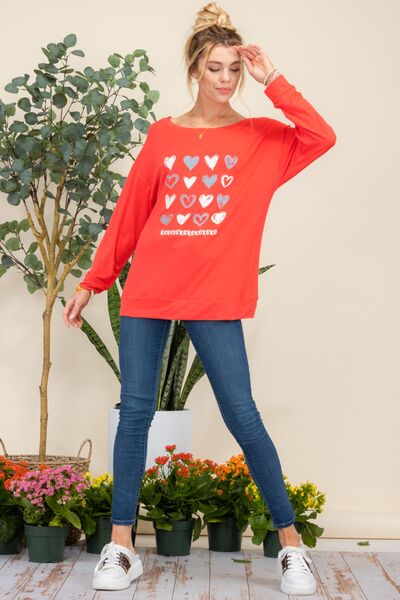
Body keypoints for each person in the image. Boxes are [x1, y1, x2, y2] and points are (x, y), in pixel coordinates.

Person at [63, 2, 336, 595]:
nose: (226, 79)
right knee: (135, 414)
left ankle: (291, 547)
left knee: (242, 415)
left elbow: (321, 135)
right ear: (194, 69)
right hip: (150, 288)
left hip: (215, 295)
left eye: (235, 69)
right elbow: (131, 214)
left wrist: (274, 80)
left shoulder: (261, 138)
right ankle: (120, 547)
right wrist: (93, 282)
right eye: (216, 68)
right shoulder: (164, 135)